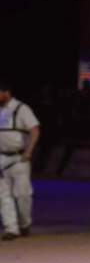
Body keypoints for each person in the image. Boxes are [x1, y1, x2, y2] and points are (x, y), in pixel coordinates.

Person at [0, 80, 41, 241]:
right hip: (1, 158)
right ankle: (11, 228)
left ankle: (24, 224)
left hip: (19, 158)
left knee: (23, 194)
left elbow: (35, 130)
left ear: (6, 92)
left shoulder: (21, 109)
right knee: (3, 195)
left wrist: (29, 151)